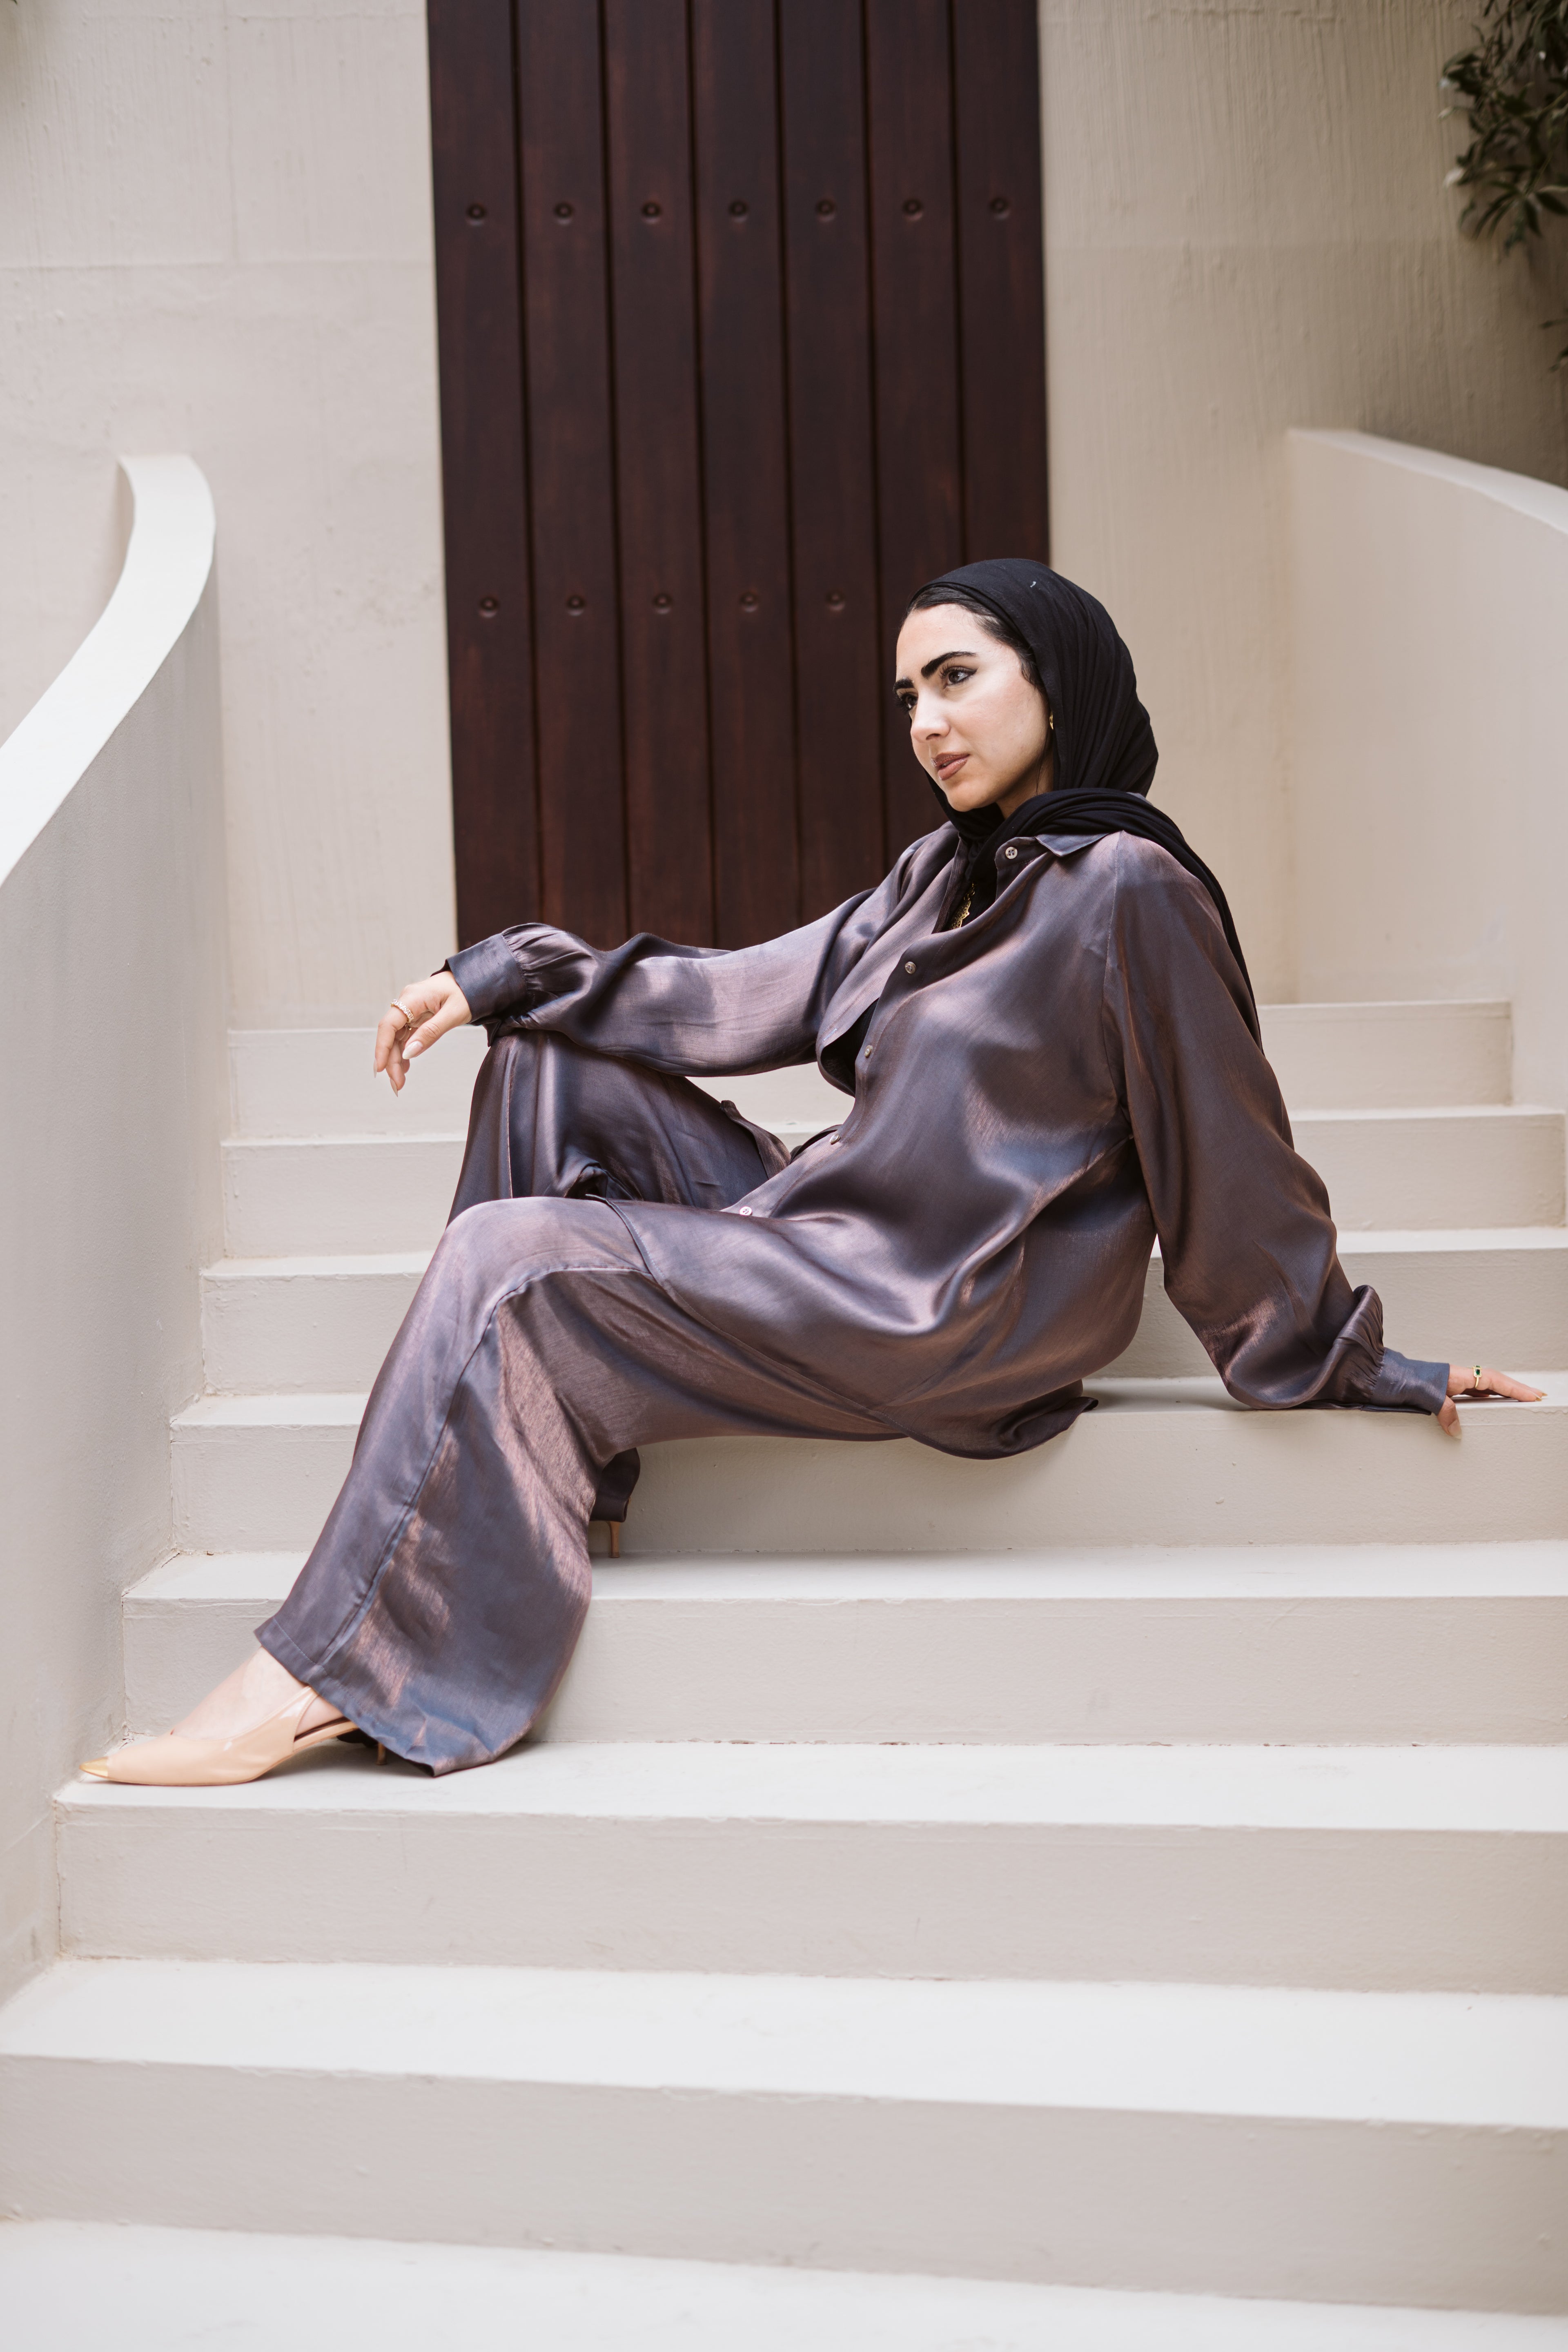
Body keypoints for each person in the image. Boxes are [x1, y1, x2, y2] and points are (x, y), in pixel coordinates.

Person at [82, 560, 1542, 1788]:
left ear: (1058, 679)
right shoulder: (944, 876)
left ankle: (341, 1667)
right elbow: (737, 995)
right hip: (840, 1232)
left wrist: (1352, 1357)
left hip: (949, 1305)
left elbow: (1232, 1154)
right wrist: (501, 979)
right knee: (545, 1068)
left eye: (958, 679)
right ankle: (529, 1486)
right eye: (909, 697)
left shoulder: (1132, 892)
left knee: (509, 1258)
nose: (928, 723)